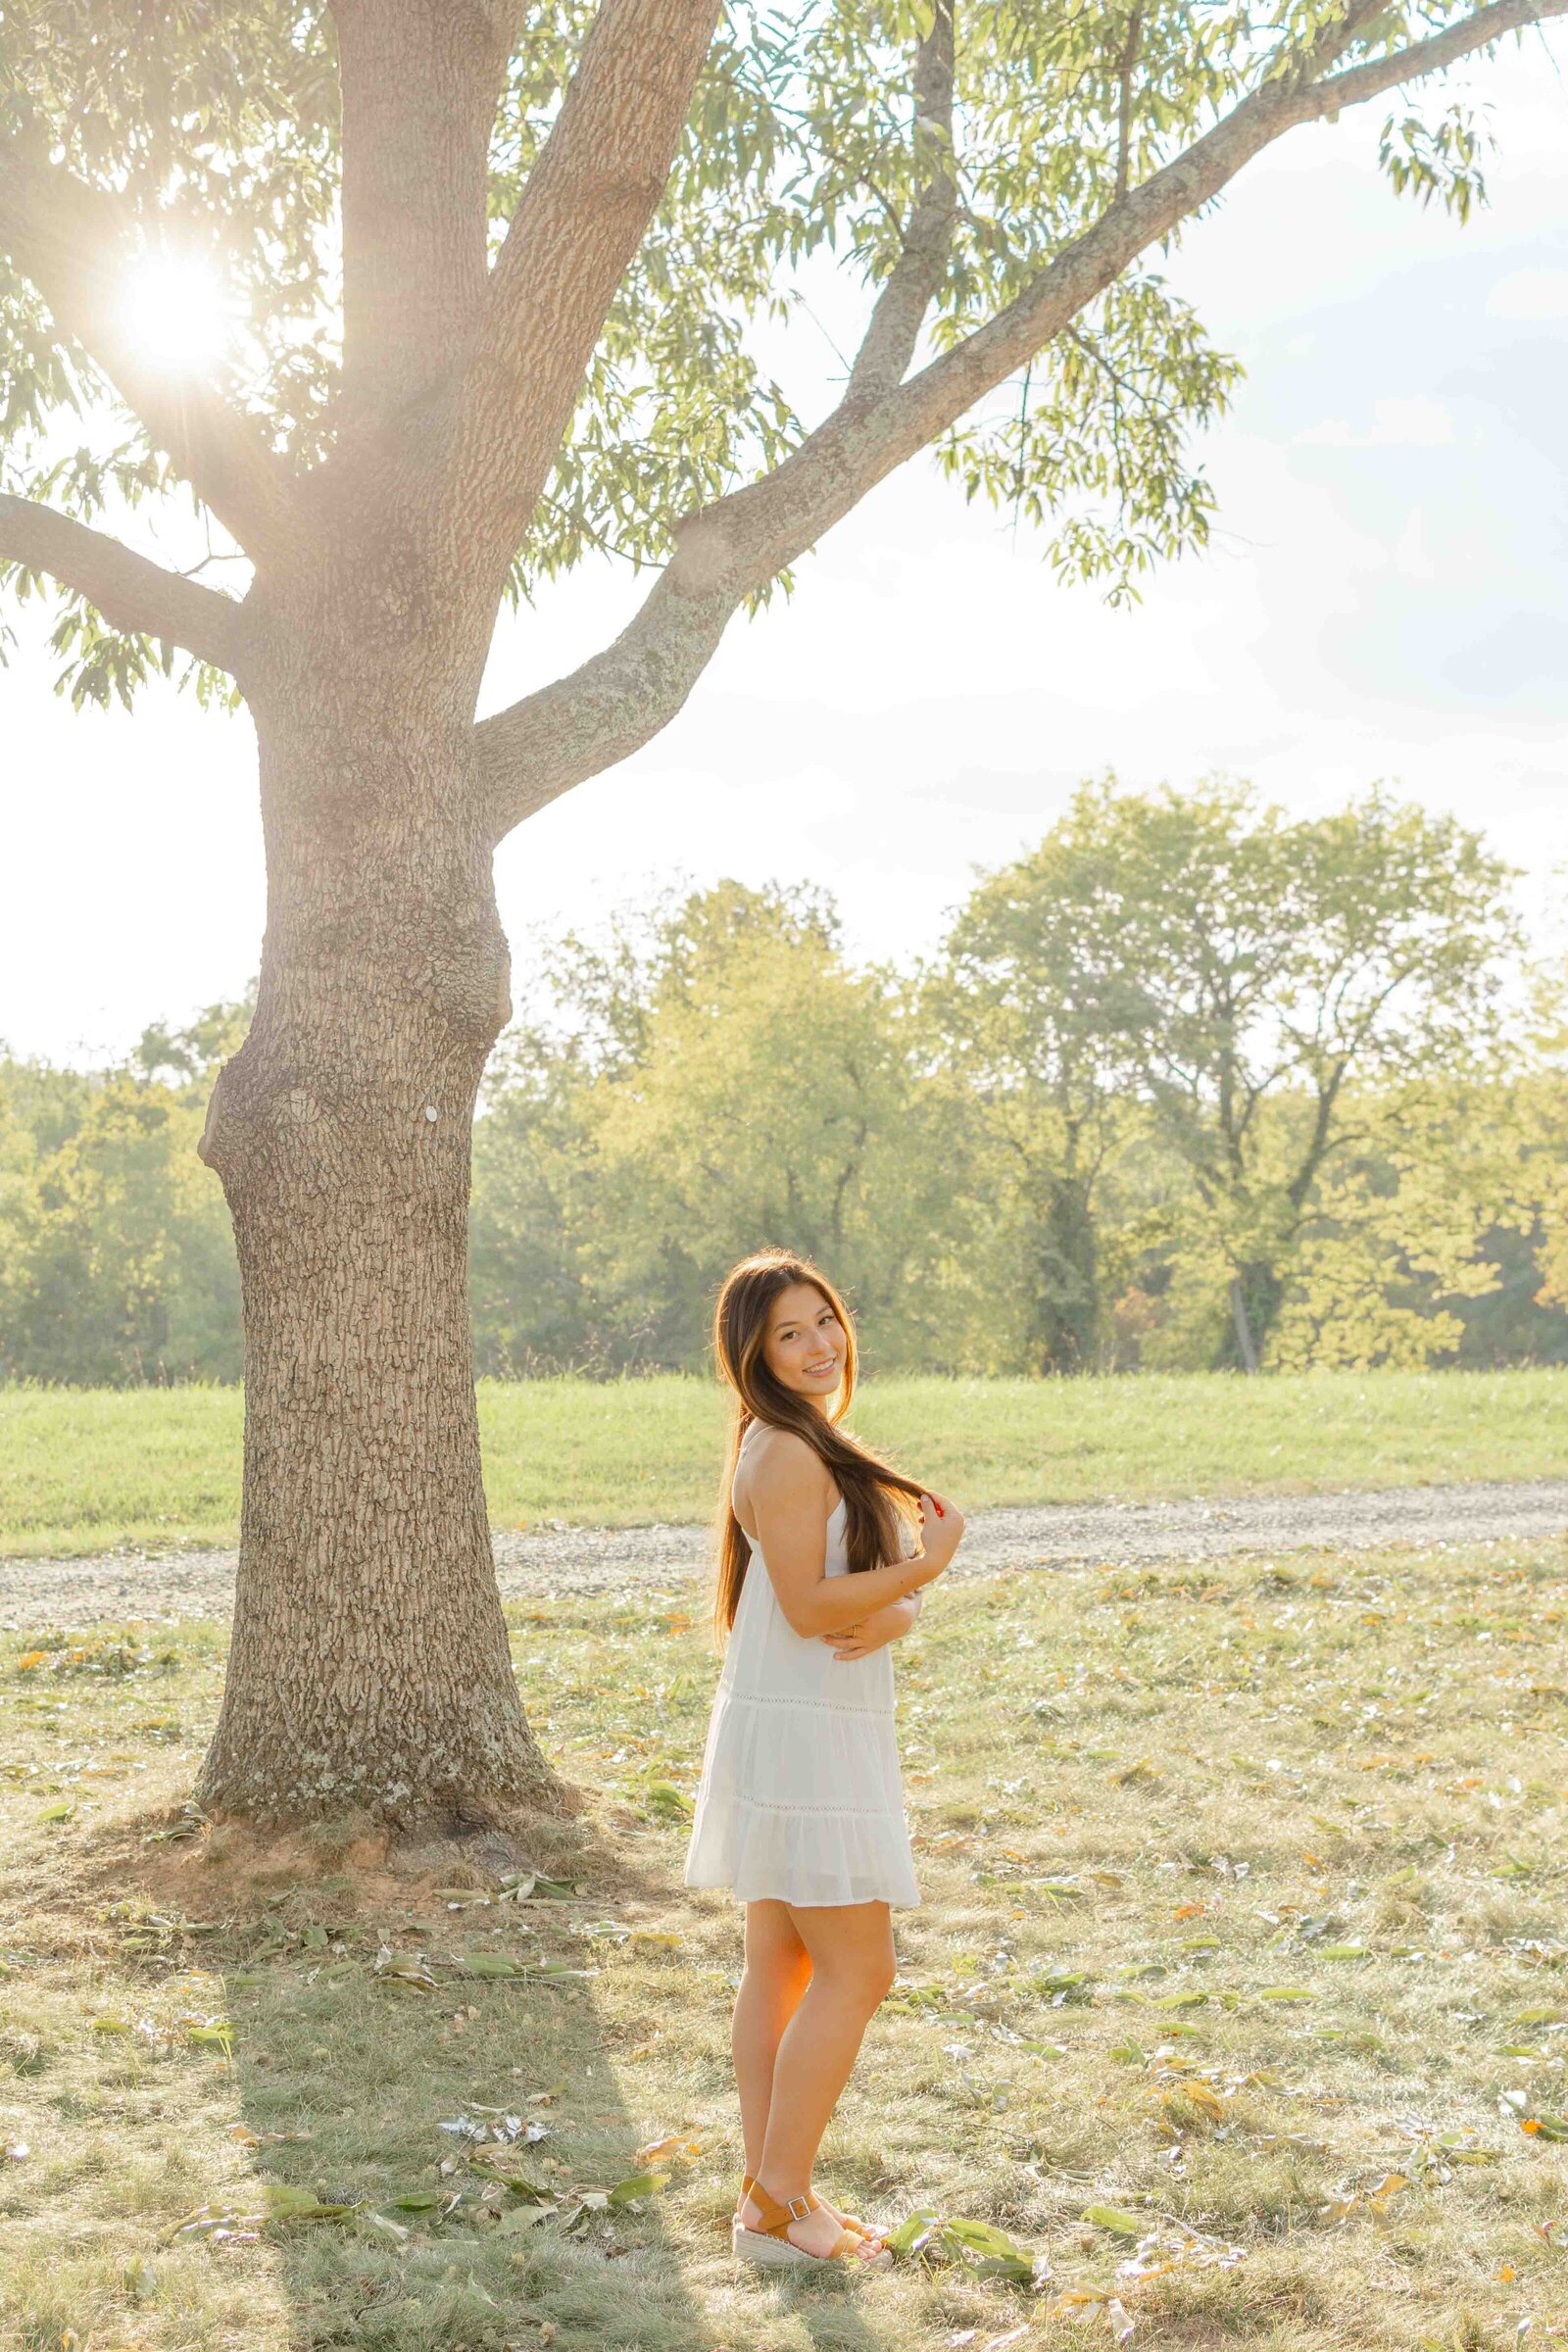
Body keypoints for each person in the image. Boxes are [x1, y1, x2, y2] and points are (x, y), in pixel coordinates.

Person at [684, 1248, 965, 2270]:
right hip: (805, 1733)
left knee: (784, 1964)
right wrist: (925, 1567)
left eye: (824, 1321)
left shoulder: (785, 1440)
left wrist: (898, 1607)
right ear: (750, 1354)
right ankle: (775, 2195)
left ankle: (771, 2204)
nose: (816, 1345)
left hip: (796, 1718)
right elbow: (807, 1606)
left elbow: (818, 1600)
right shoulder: (792, 1451)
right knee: (859, 1966)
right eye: (787, 1333)